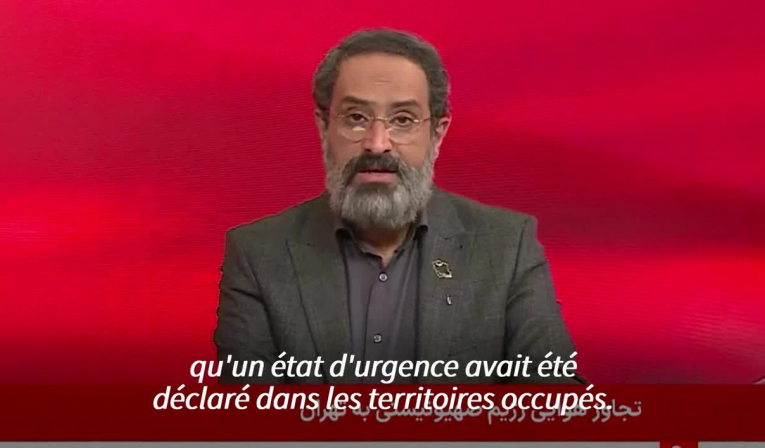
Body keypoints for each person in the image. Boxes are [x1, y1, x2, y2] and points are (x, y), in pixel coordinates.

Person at [214, 28, 578, 384]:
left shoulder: (507, 247)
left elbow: (557, 403)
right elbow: (249, 414)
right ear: (324, 127)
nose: (377, 144)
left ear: (437, 133)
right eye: (356, 118)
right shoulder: (257, 254)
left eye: (403, 120)